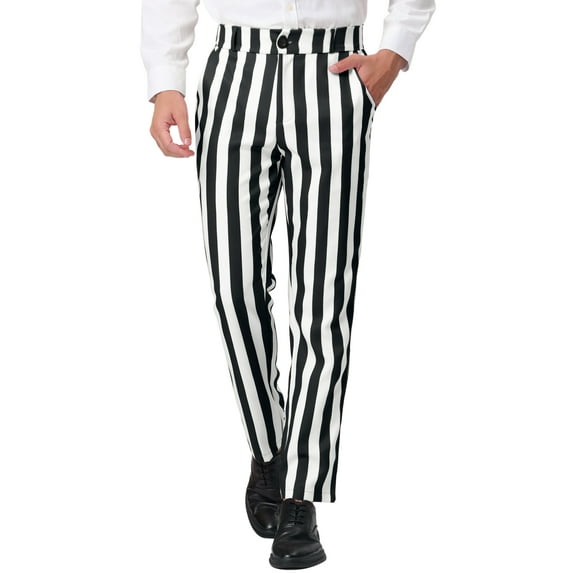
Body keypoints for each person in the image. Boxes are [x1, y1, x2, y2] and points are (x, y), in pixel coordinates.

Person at [141, 1, 435, 569]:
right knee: (235, 290)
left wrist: (395, 50)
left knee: (323, 297)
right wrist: (165, 77)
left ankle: (301, 495)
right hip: (235, 71)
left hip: (333, 73)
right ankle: (269, 446)